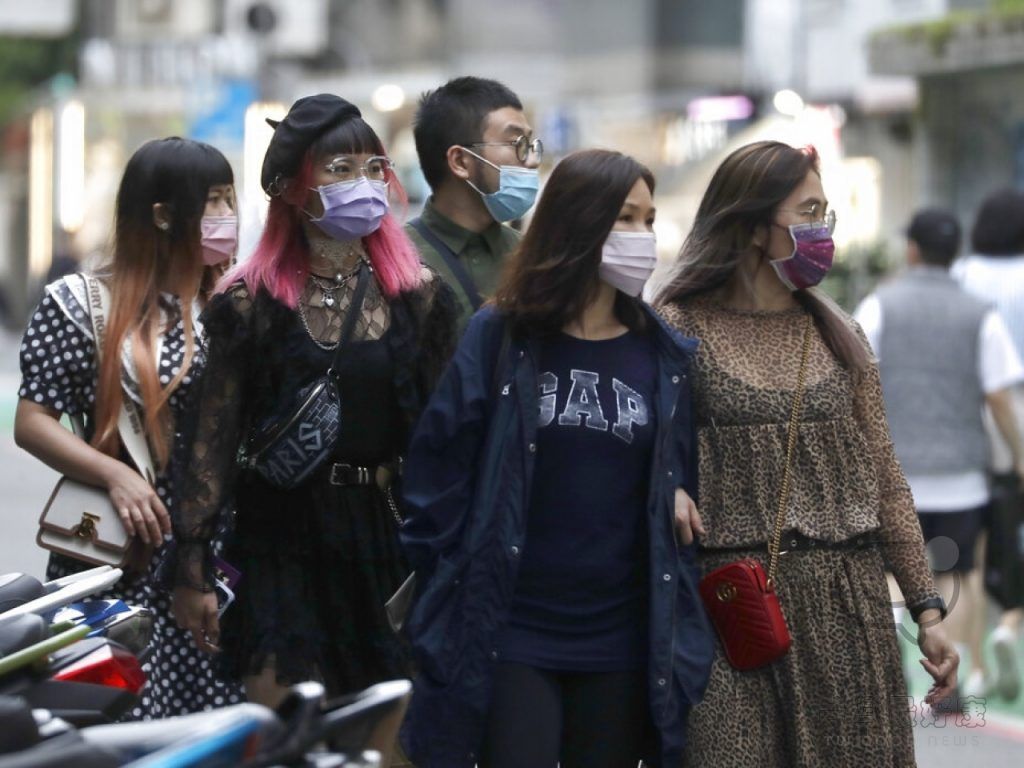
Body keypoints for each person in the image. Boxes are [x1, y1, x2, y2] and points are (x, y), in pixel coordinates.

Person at [399, 148, 713, 768]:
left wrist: (669, 490)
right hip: (512, 628)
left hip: (623, 638)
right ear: (580, 224)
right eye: (625, 218)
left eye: (649, 221)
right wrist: (445, 587)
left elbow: (676, 471)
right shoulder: (503, 337)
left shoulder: (664, 355)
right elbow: (439, 467)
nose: (641, 238)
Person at [653, 141, 958, 766]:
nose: (823, 230)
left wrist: (926, 606)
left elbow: (885, 478)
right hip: (734, 606)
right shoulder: (676, 328)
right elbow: (643, 452)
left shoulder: (839, 334)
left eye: (826, 213)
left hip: (849, 606)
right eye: (808, 211)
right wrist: (664, 484)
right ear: (753, 224)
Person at [170, 94, 457, 711]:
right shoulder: (247, 303)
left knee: (380, 731)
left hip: (383, 531)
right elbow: (209, 446)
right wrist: (193, 565)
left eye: (372, 167)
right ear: (294, 189)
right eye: (339, 168)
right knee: (282, 727)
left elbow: (445, 440)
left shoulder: (419, 299)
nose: (363, 183)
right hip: (280, 535)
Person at [14, 136, 244, 719]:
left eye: (229, 199)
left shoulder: (238, 305)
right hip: (115, 548)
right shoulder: (80, 302)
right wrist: (116, 474)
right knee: (112, 714)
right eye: (211, 202)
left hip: (215, 551)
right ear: (163, 215)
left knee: (211, 718)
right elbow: (32, 421)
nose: (227, 218)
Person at [854, 207, 1024, 706]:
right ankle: (958, 675)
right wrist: (1018, 454)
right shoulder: (978, 312)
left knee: (891, 571)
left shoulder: (880, 304)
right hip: (962, 473)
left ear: (911, 249)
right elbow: (998, 393)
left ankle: (893, 664)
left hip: (896, 469)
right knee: (957, 572)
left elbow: (857, 370)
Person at [952, 187, 1024, 701]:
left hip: (969, 415)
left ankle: (974, 665)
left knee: (970, 550)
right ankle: (1013, 621)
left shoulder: (960, 276)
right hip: (1017, 405)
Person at [407, 76, 542, 331]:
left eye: (531, 144)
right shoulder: (396, 259)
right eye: (517, 144)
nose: (532, 160)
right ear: (460, 161)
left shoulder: (530, 256)